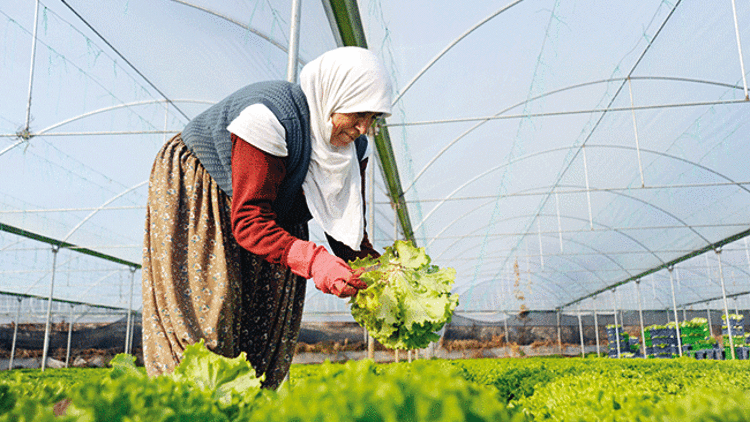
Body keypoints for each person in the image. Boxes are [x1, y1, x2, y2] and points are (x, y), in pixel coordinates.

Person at [140, 47, 392, 388]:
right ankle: (188, 405)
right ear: (334, 95)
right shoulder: (272, 117)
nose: (363, 127)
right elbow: (249, 219)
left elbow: (346, 228)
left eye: (374, 118)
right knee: (210, 314)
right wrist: (314, 260)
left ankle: (249, 404)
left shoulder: (354, 149)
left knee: (268, 326)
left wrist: (383, 276)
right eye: (358, 113)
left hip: (277, 206)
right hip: (207, 188)